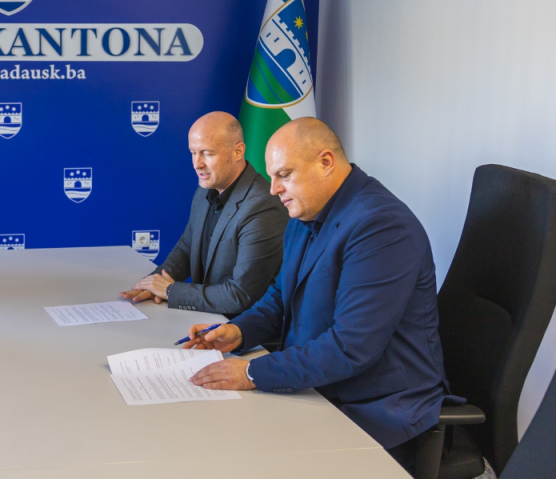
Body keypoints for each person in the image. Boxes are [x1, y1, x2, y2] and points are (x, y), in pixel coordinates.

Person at [183, 118, 450, 473]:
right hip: (318, 389)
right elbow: (281, 294)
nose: (273, 189)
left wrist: (251, 372)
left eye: (284, 175)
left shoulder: (381, 226)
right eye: (272, 176)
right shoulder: (306, 210)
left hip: (377, 409)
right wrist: (239, 331)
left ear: (326, 162)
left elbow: (350, 347)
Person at [121, 112, 287, 316]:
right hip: (205, 318)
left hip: (241, 328)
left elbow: (240, 296)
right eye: (193, 153)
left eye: (207, 154)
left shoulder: (263, 206)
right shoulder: (204, 191)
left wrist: (171, 291)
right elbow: (186, 249)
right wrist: (152, 284)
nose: (196, 164)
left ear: (238, 151)